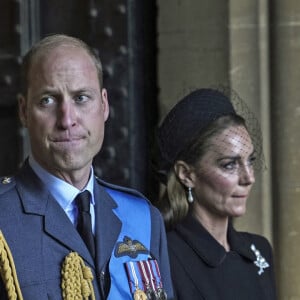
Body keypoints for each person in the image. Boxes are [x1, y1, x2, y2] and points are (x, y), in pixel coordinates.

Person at [0, 34, 173, 300]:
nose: (67, 119)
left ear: (104, 105)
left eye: (81, 98)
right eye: (47, 100)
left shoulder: (142, 218)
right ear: (24, 111)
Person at [152, 88, 277, 299]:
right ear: (186, 174)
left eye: (250, 161)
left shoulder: (259, 249)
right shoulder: (162, 255)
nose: (249, 178)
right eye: (229, 165)